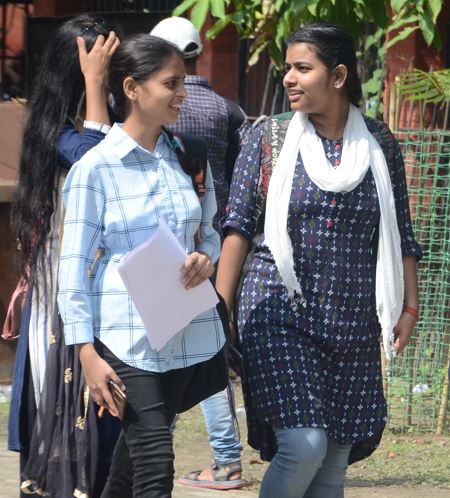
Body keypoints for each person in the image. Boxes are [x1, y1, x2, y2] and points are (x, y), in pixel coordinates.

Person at [216, 22, 422, 498]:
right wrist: (220, 308)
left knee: (332, 464)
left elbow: (400, 232)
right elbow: (237, 227)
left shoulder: (378, 142)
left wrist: (409, 306)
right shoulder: (268, 138)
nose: (289, 78)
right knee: (304, 445)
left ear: (338, 76)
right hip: (278, 310)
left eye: (302, 68)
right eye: (287, 68)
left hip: (352, 319)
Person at [56, 34, 227, 497]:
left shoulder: (190, 157)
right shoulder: (95, 169)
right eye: (171, 83)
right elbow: (72, 268)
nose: (182, 94)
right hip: (123, 335)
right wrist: (86, 353)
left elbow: (210, 232)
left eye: (182, 82)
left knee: (130, 466)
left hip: (182, 326)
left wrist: (206, 259)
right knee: (155, 457)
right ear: (132, 88)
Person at [7, 15, 121, 498]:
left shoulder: (117, 121)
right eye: (100, 65)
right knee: (63, 400)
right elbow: (95, 162)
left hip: (110, 288)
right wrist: (96, 84)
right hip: (63, 291)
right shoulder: (54, 132)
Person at [150, 15, 250, 491]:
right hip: (214, 248)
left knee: (156, 351)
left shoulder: (148, 104)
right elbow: (241, 177)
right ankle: (227, 459)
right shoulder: (228, 110)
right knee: (209, 351)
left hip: (157, 251)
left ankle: (153, 451)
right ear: (197, 52)